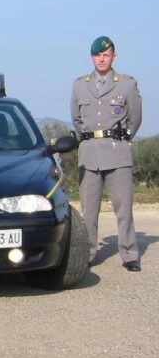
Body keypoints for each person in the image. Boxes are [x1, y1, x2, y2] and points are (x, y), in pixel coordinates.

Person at [70, 35, 142, 271]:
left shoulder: (127, 84)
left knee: (124, 208)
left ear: (113, 56)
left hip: (117, 152)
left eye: (106, 54)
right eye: (98, 55)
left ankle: (129, 253)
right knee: (89, 209)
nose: (102, 59)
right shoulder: (80, 84)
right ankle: (89, 252)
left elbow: (135, 118)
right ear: (92, 57)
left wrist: (122, 138)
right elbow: (76, 118)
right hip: (89, 153)